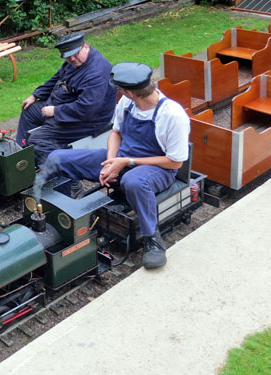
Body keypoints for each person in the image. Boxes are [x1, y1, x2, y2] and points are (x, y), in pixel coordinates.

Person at [41, 62, 190, 269]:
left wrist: (125, 162)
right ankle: (60, 214)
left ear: (130, 92)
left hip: (158, 169)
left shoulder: (173, 115)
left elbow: (176, 161)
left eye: (120, 90)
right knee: (57, 157)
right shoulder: (127, 103)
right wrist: (110, 163)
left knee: (133, 180)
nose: (119, 93)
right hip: (121, 158)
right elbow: (116, 133)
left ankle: (152, 239)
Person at [16, 32, 117, 164]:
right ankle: (19, 156)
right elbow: (58, 77)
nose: (73, 59)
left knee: (38, 142)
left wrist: (56, 111)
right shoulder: (74, 63)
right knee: (29, 111)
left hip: (87, 121)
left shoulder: (96, 73)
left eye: (76, 54)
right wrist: (35, 95)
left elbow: (86, 108)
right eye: (68, 57)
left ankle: (66, 177)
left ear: (85, 46)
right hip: (64, 106)